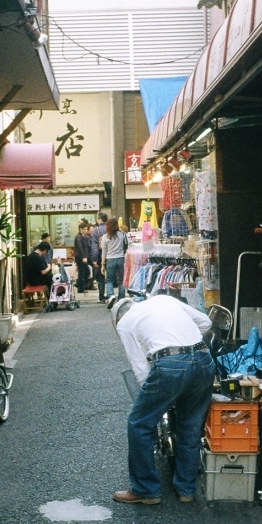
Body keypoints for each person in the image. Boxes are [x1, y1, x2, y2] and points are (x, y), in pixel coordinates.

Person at [111, 294, 215, 505]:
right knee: (190, 427)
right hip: (204, 359)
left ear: (118, 319)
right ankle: (186, 489)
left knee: (139, 423)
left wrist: (154, 393)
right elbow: (206, 322)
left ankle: (145, 490)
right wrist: (189, 349)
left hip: (170, 364)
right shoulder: (164, 299)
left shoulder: (125, 324)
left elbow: (140, 369)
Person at [102, 217, 128, 308]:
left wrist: (102, 264)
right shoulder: (122, 234)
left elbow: (104, 251)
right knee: (121, 280)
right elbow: (126, 246)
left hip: (110, 259)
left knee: (109, 280)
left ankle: (111, 295)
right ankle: (121, 300)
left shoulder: (105, 237)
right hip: (121, 258)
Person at [91, 213, 108, 303]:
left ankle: (101, 296)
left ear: (100, 219)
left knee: (101, 278)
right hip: (111, 254)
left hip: (100, 255)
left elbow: (94, 247)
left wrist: (94, 260)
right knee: (110, 277)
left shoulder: (96, 231)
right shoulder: (110, 229)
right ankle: (110, 295)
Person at [74, 223, 90, 293]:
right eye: (85, 229)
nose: (86, 231)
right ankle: (81, 288)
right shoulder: (78, 237)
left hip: (84, 257)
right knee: (82, 273)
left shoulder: (83, 236)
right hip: (80, 257)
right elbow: (80, 248)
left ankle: (80, 285)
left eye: (87, 229)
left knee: (86, 272)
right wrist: (83, 257)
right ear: (80, 229)